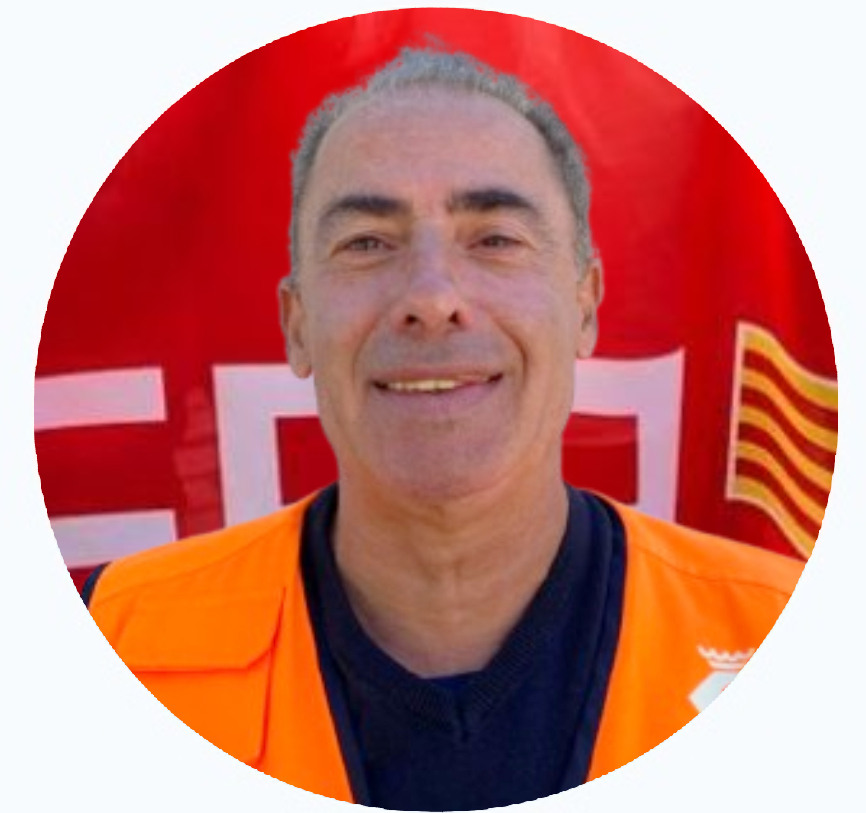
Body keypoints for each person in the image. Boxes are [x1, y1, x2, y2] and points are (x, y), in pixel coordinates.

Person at [86, 47, 803, 809]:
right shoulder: (123, 638)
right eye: (367, 243)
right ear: (296, 325)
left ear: (584, 305)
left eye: (495, 238)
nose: (431, 298)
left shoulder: (785, 634)